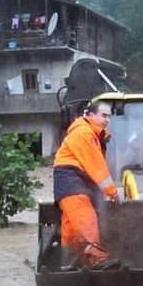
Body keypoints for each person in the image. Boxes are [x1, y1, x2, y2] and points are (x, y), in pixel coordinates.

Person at [53, 101, 120, 270]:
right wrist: (112, 192)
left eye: (109, 117)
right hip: (72, 179)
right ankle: (96, 259)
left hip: (69, 181)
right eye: (103, 115)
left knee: (70, 225)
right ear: (90, 115)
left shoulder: (89, 134)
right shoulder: (84, 133)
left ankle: (69, 264)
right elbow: (96, 165)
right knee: (85, 218)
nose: (107, 120)